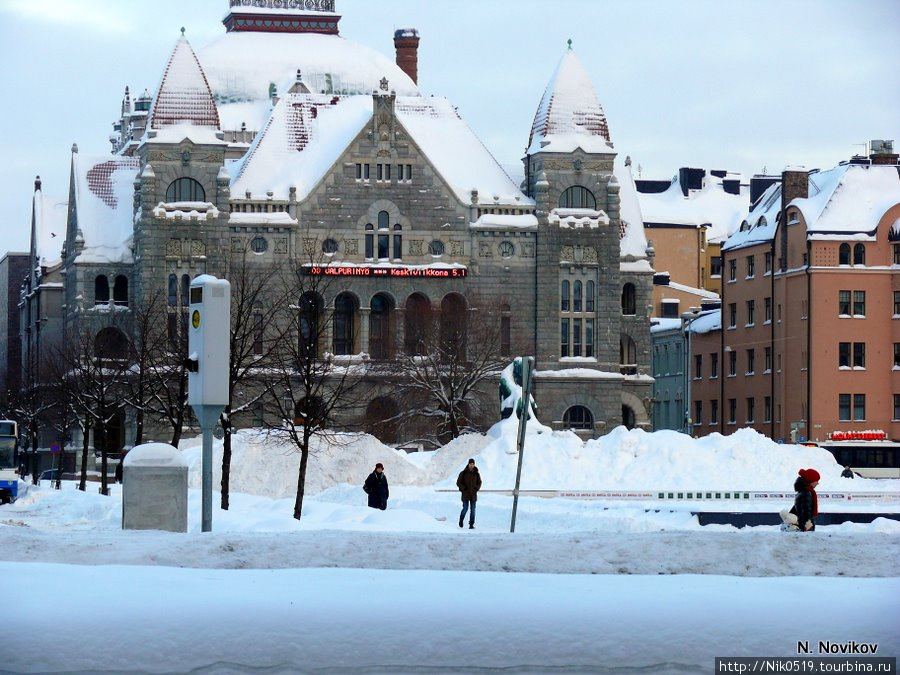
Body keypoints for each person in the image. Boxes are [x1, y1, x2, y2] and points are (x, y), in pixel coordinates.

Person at [780, 468, 820, 532]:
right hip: (803, 526)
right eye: (817, 480)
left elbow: (796, 509)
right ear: (811, 480)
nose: (818, 483)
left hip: (800, 523)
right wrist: (808, 524)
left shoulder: (802, 491)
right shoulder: (807, 493)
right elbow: (806, 511)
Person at [456, 458, 482, 529]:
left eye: (473, 464)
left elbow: (479, 482)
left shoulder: (476, 473)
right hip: (465, 495)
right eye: (470, 464)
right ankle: (461, 520)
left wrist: (476, 488)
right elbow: (458, 482)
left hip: (473, 495)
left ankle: (471, 524)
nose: (472, 465)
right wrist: (463, 488)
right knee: (465, 508)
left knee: (473, 510)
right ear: (468, 464)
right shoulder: (463, 473)